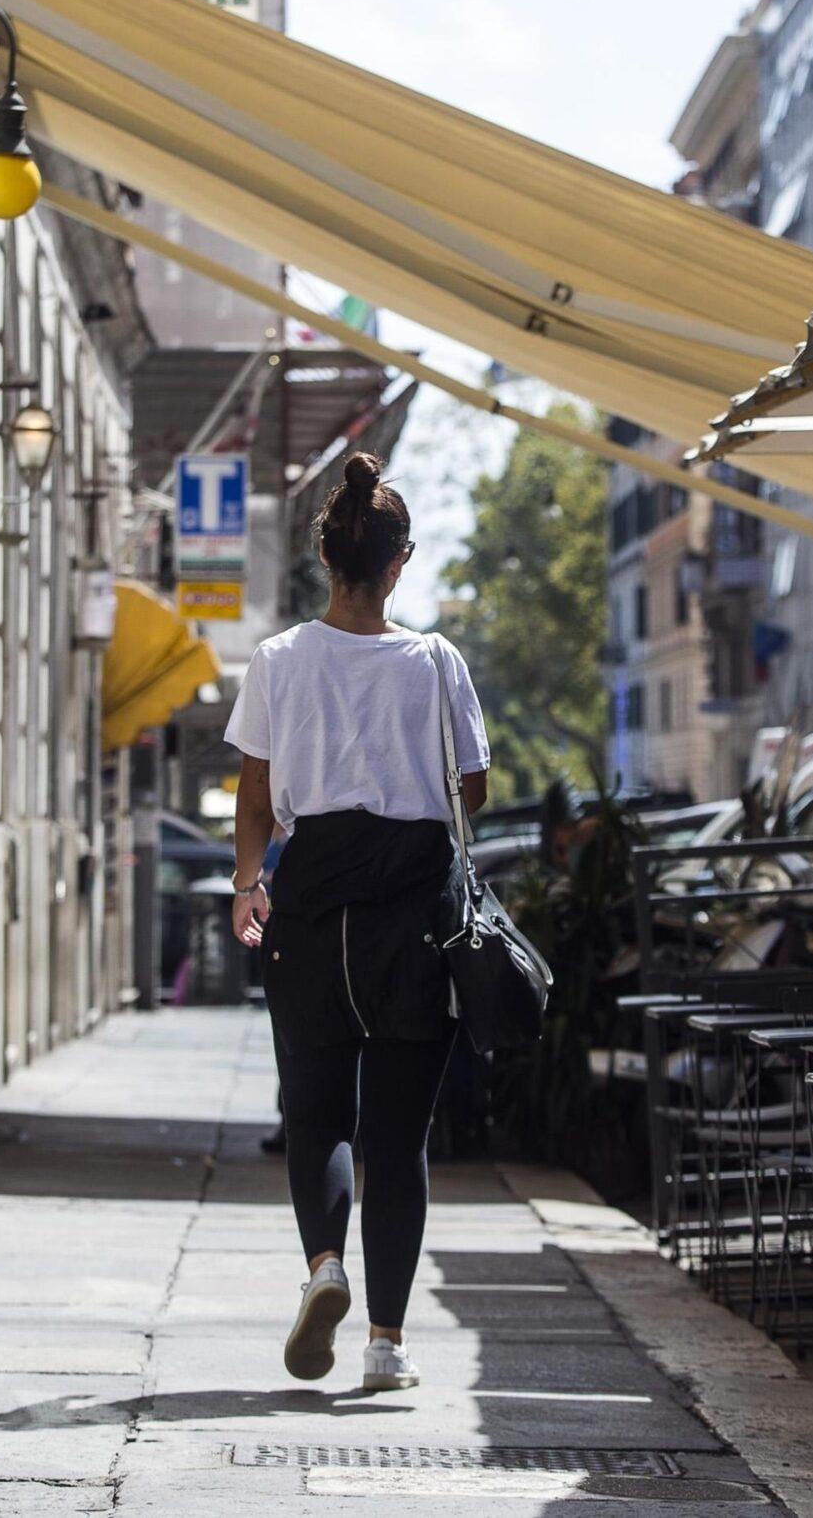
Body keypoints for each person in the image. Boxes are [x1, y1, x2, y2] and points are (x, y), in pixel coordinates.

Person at [224, 452, 488, 1395]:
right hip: (412, 914)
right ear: (399, 562)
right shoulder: (436, 660)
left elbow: (254, 797)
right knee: (398, 1133)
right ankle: (385, 1343)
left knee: (317, 1113)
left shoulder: (278, 660)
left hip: (309, 911)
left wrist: (249, 882)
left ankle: (324, 1266)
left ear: (327, 557)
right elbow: (473, 789)